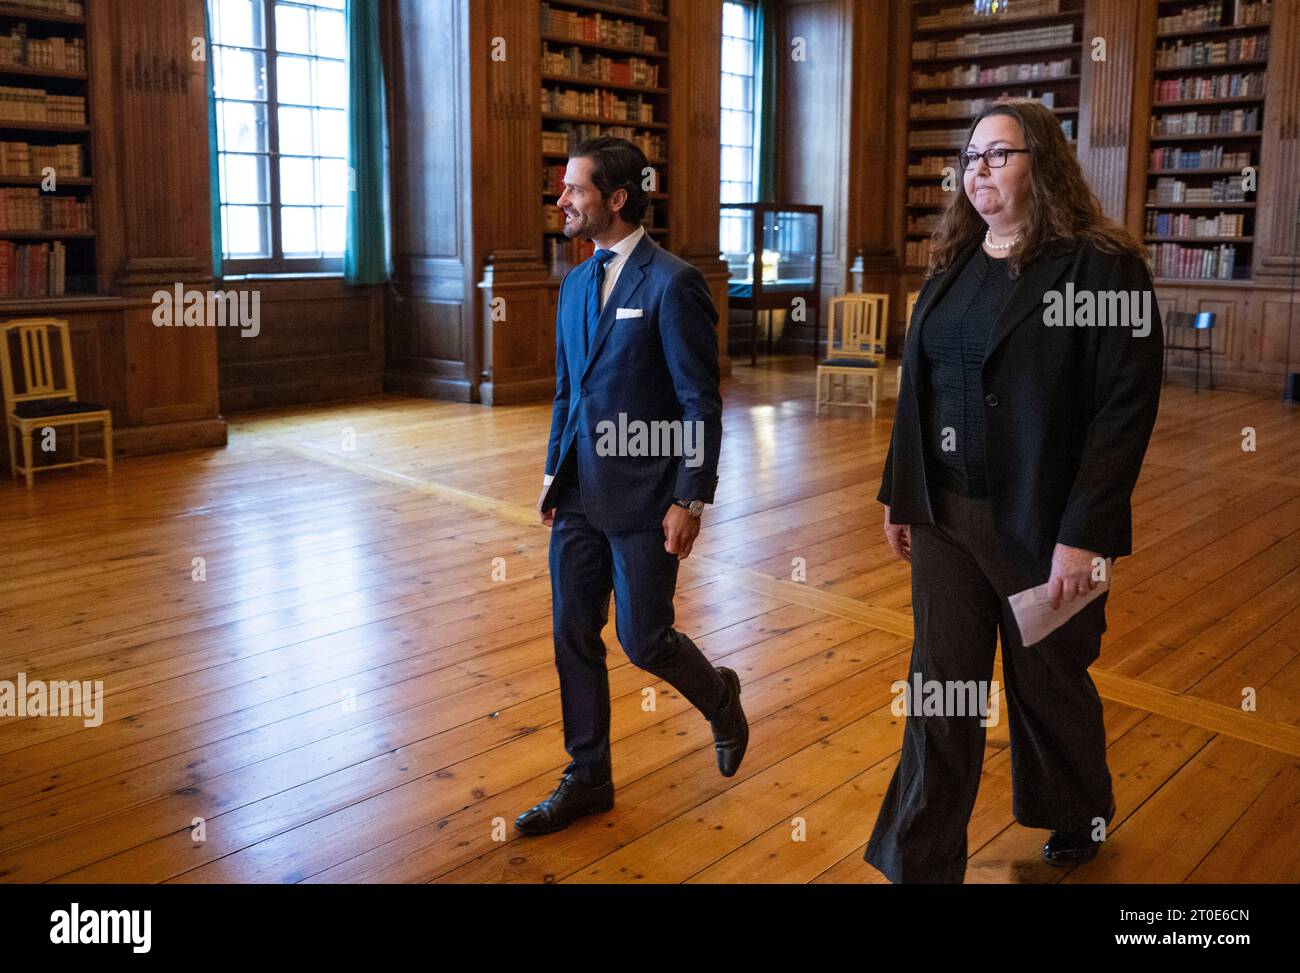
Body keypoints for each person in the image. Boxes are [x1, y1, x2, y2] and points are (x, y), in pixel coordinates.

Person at [864, 100, 1164, 882]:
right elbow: (919, 388)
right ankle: (919, 859)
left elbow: (1122, 413)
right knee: (942, 688)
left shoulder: (1104, 266)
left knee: (1049, 681)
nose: (979, 170)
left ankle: (1076, 812)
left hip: (1044, 522)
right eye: (971, 157)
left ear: (1046, 163)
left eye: (999, 154)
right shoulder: (954, 259)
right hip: (945, 516)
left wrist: (1086, 532)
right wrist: (901, 492)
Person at [515, 137, 748, 836]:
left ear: (616, 198)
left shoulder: (673, 282)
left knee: (644, 639)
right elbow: (568, 390)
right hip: (581, 490)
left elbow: (698, 401)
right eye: (563, 190)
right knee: (571, 632)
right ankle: (588, 775)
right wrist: (554, 474)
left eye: (575, 190)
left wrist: (690, 497)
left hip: (648, 495)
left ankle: (720, 697)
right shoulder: (575, 281)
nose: (562, 201)